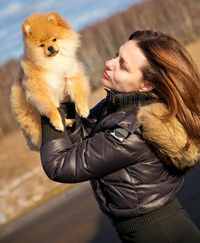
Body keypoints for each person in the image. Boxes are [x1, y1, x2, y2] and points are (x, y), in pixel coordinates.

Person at [40, 30, 200, 242]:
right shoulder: (118, 105)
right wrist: (66, 99)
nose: (109, 62)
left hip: (159, 233)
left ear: (146, 85)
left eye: (123, 65)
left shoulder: (133, 129)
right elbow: (81, 139)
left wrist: (53, 108)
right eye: (116, 55)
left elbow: (60, 165)